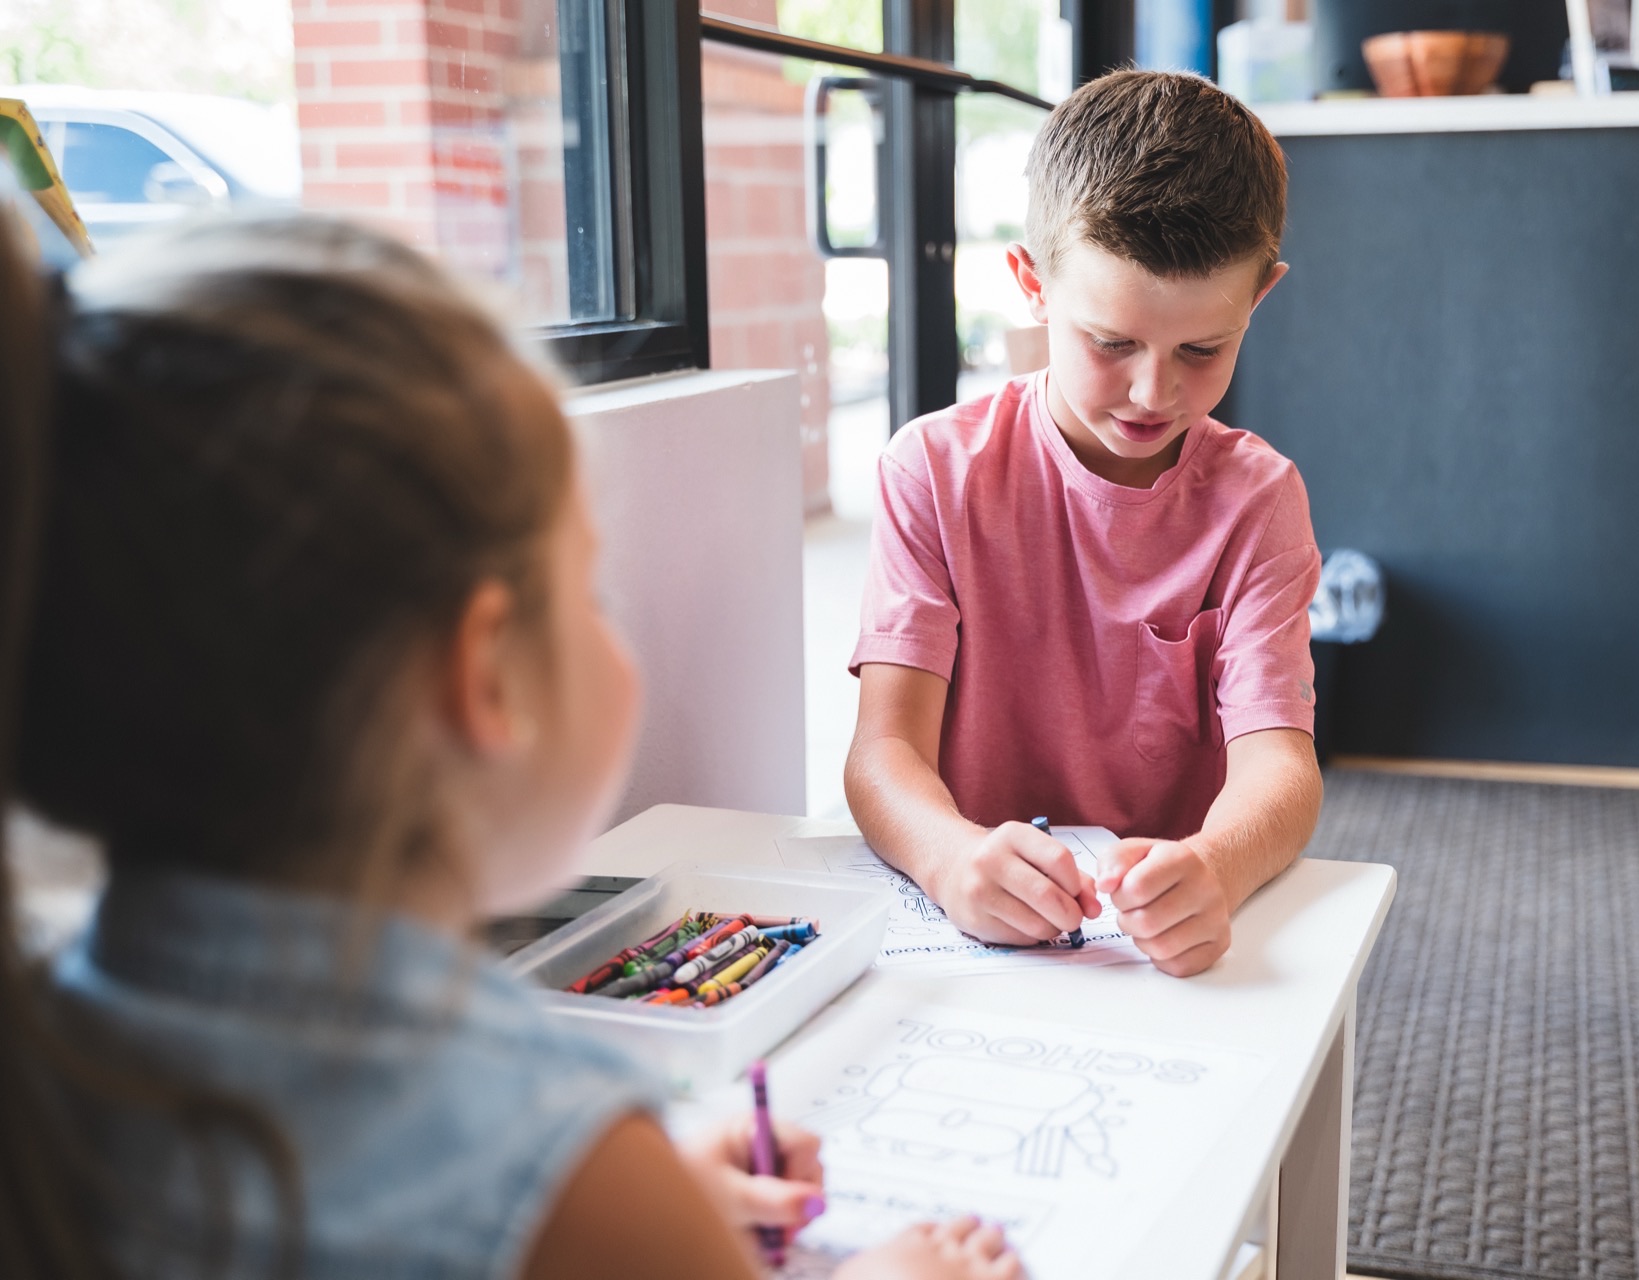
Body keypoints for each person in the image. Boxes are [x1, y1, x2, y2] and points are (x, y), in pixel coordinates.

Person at [0, 211, 1021, 1280]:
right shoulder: (558, 1160)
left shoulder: (54, 1047)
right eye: (586, 586)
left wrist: (640, 1200)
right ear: (485, 673)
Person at [844, 70, 1322, 979]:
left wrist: (1216, 866)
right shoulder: (932, 472)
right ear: (1031, 283)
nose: (1153, 392)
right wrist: (948, 856)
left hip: (1155, 939)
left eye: (1201, 350)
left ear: (1257, 299)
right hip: (967, 926)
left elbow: (1281, 771)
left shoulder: (1259, 499)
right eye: (1111, 343)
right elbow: (883, 752)